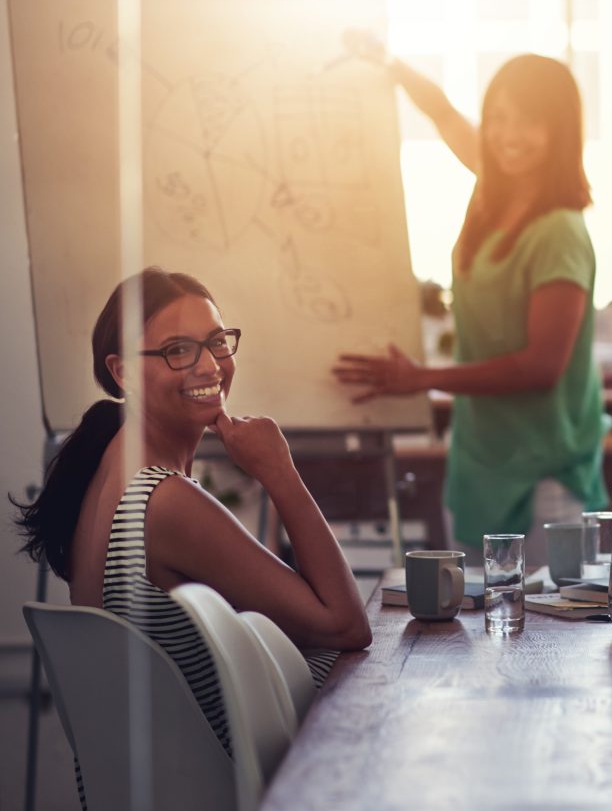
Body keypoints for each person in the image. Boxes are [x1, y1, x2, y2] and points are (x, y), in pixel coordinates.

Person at [15, 267, 371, 759]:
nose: (210, 367)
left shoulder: (107, 462)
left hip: (165, 772)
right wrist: (280, 473)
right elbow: (346, 627)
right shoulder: (164, 501)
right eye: (178, 350)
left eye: (217, 342)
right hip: (230, 778)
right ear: (122, 372)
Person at [333, 33, 611, 565]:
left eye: (529, 121)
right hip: (480, 462)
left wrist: (422, 378)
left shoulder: (560, 230)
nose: (508, 136)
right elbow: (441, 111)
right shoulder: (493, 183)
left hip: (546, 476)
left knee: (549, 619)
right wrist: (391, 63)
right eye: (499, 117)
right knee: (479, 616)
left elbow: (542, 367)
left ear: (560, 129)